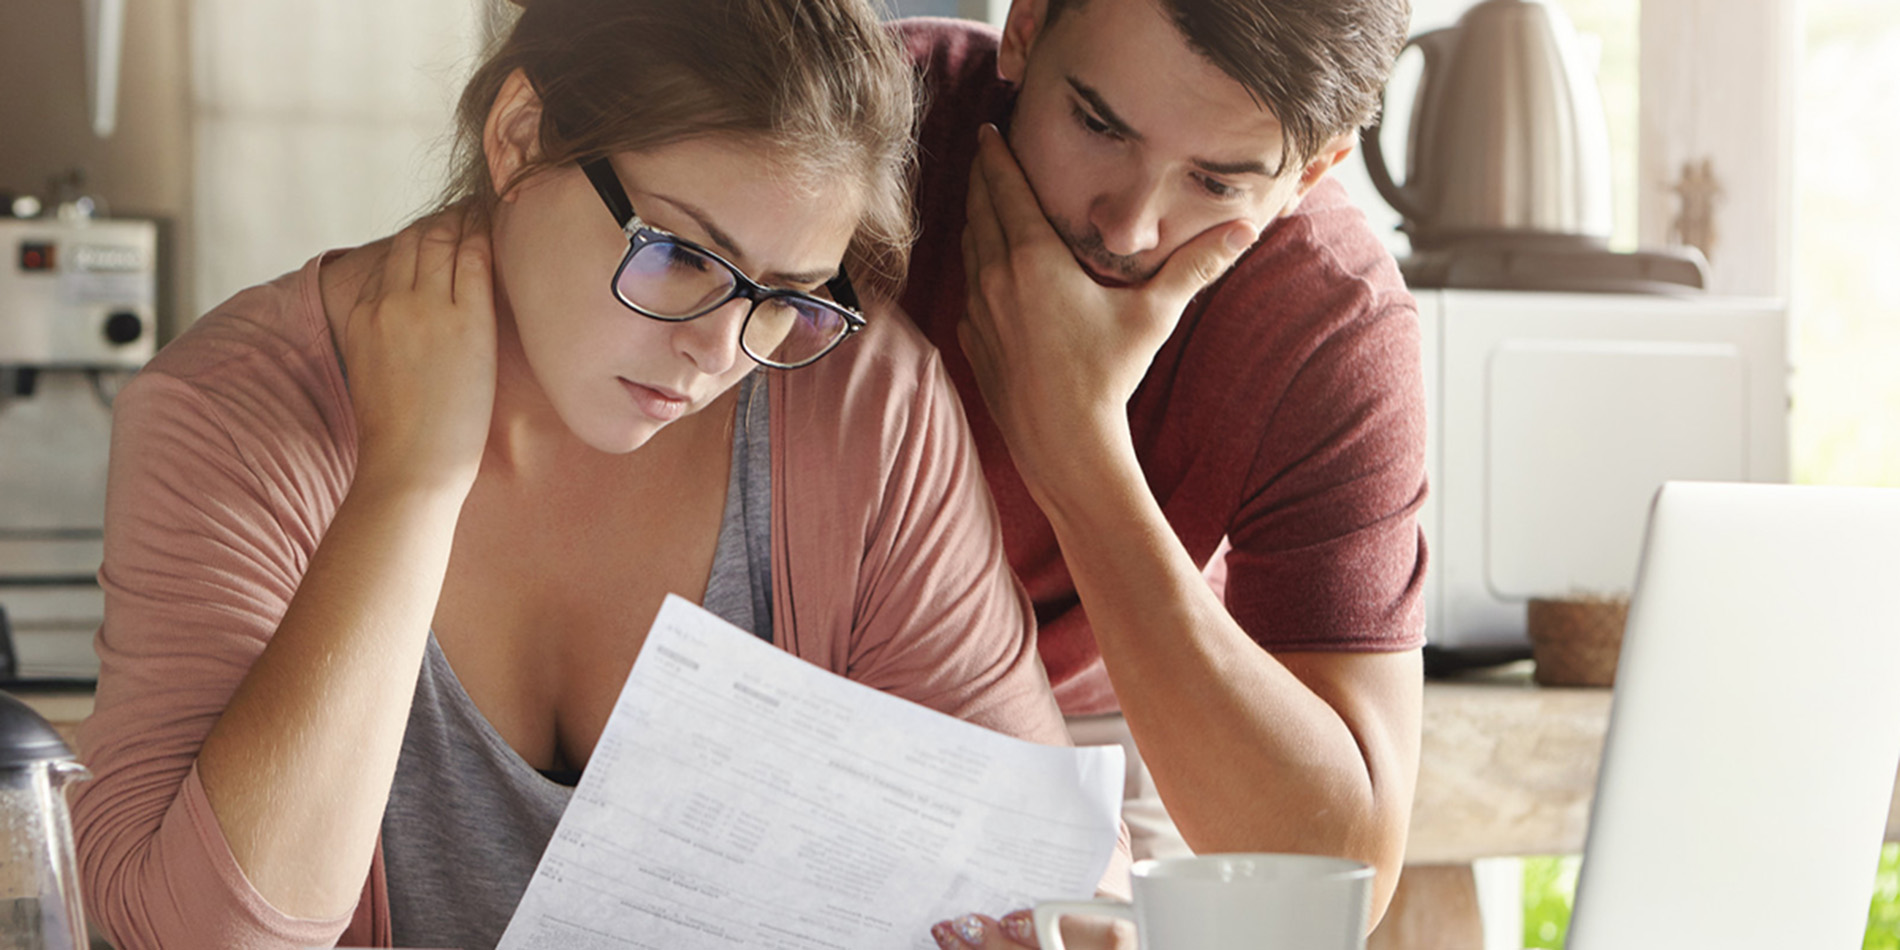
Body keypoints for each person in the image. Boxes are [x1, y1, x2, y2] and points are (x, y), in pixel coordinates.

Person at [71, 2, 1124, 948]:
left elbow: (1034, 871)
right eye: (680, 254)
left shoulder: (860, 403)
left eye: (790, 294)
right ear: (519, 134)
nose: (721, 351)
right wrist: (411, 482)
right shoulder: (235, 414)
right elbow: (195, 936)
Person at [898, 1, 1428, 944]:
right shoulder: (860, 126)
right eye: (1098, 126)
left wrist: (1076, 446)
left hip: (1113, 717)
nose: (1131, 226)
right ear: (1025, 26)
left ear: (1311, 172)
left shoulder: (1329, 322)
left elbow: (1336, 876)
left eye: (1217, 181)